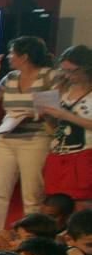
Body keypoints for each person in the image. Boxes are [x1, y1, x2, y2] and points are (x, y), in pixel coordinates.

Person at [0, 37, 59, 235]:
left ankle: (32, 236)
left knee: (32, 194)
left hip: (35, 138)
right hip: (6, 138)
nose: (9, 57)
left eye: (12, 53)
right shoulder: (11, 78)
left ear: (24, 56)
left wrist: (31, 115)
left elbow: (52, 110)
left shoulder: (48, 76)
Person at [40, 45, 92, 206]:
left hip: (83, 155)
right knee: (55, 204)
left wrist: (66, 115)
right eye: (64, 71)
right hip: (58, 153)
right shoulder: (62, 89)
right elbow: (53, 127)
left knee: (79, 204)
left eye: (73, 71)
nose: (68, 75)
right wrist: (47, 115)